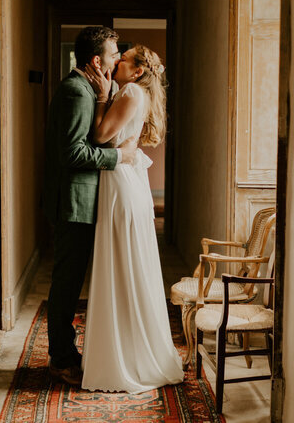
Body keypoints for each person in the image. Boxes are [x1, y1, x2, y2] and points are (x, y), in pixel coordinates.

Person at [79, 44, 184, 393]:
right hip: (124, 182)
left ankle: (126, 358)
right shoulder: (135, 91)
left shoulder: (128, 91)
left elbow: (99, 136)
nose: (118, 60)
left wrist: (101, 96)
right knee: (124, 268)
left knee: (121, 267)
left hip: (122, 186)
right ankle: (126, 350)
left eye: (124, 58)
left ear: (137, 71)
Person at [42, 26, 137, 387]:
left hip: (81, 201)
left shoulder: (89, 88)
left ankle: (69, 352)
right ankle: (61, 359)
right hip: (73, 203)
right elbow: (73, 153)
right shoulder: (75, 92)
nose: (117, 60)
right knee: (66, 285)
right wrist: (118, 155)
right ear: (97, 60)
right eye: (114, 55)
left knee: (72, 281)